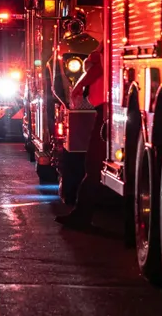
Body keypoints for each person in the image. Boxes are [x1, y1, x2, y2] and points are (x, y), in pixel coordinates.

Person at [55, 47, 107, 229]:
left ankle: (81, 216)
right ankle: (81, 214)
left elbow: (100, 67)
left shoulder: (106, 40)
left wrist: (79, 85)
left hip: (106, 109)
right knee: (93, 164)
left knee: (93, 164)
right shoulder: (104, 40)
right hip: (104, 108)